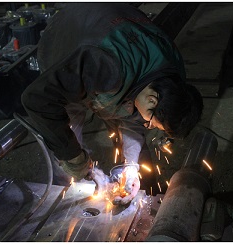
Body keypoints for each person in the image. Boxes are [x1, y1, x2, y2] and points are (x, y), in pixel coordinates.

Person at [19, 3, 203, 205]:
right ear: (152, 99)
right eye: (152, 123)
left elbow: (133, 120)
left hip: (114, 27)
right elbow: (37, 98)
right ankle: (63, 194)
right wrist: (74, 157)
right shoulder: (105, 65)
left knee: (127, 115)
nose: (149, 126)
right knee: (68, 129)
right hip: (66, 36)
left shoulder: (173, 77)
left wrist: (132, 166)